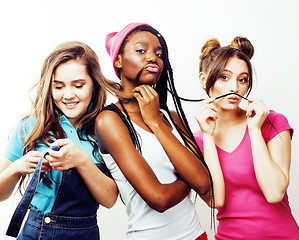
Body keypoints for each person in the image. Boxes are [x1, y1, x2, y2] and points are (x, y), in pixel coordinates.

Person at [95, 22, 211, 240]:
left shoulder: (172, 118)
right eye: (141, 50)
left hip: (197, 235)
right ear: (118, 60)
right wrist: (191, 177)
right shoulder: (110, 121)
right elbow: (158, 198)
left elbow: (204, 184)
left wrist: (156, 122)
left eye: (159, 53)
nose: (153, 58)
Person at [0, 41, 118, 240]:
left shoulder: (106, 128)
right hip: (35, 233)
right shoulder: (32, 126)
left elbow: (110, 199)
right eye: (58, 86)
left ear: (94, 86)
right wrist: (18, 167)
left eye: (79, 85)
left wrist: (81, 161)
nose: (68, 95)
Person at [193, 36, 299, 239]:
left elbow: (274, 193)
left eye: (242, 79)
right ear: (204, 79)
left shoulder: (272, 122)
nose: (234, 87)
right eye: (224, 77)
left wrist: (255, 131)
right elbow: (217, 201)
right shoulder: (197, 141)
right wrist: (207, 136)